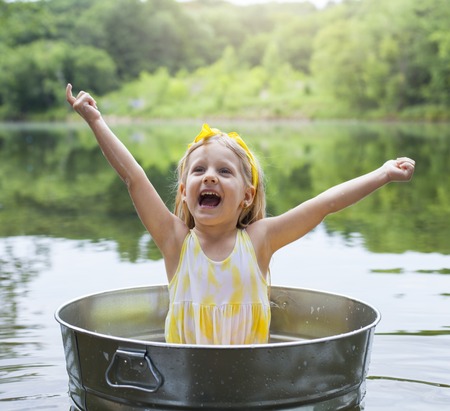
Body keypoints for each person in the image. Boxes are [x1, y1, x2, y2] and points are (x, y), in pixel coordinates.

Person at [66, 84, 415, 345]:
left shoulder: (260, 241)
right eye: (199, 170)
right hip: (183, 384)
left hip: (249, 385)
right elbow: (133, 177)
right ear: (185, 194)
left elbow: (324, 204)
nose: (210, 176)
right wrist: (95, 120)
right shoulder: (175, 243)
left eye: (225, 171)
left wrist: (382, 173)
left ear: (247, 197)